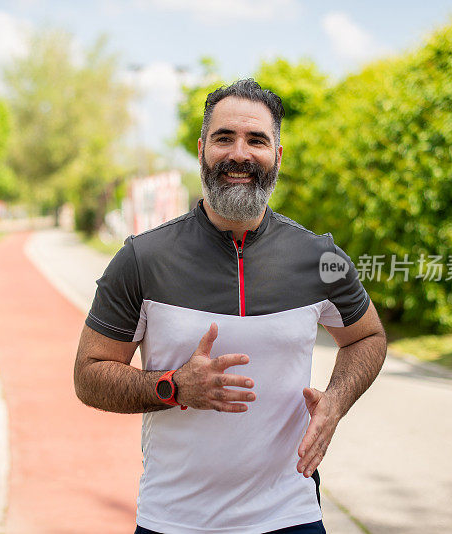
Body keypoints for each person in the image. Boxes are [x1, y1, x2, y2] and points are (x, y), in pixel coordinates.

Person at [74, 78, 387, 534]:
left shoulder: (320, 258)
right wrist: (173, 387)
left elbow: (368, 337)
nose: (239, 154)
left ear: (277, 156)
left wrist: (335, 402)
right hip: (174, 521)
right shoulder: (142, 258)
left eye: (256, 140)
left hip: (291, 514)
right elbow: (88, 374)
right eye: (224, 138)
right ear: (202, 149)